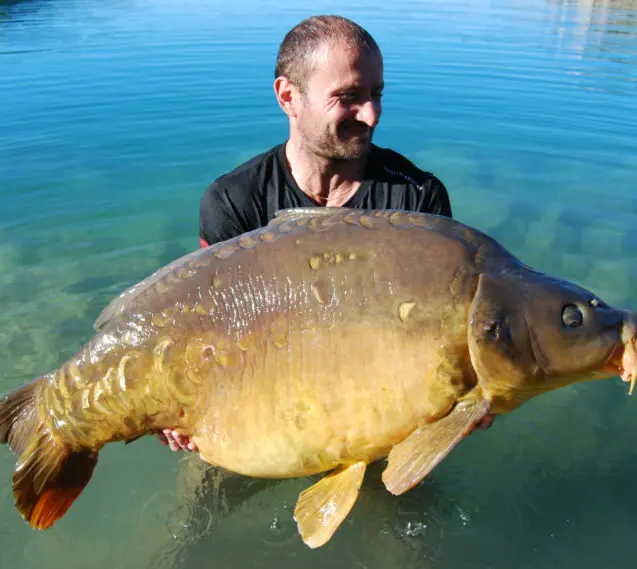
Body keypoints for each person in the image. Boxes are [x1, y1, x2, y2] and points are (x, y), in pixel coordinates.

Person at [160, 14, 493, 453]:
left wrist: (475, 388)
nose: (371, 114)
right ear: (288, 97)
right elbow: (210, 335)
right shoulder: (233, 201)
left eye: (377, 94)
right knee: (200, 514)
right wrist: (174, 403)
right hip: (259, 419)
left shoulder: (418, 199)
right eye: (348, 97)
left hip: (382, 421)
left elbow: (447, 334)